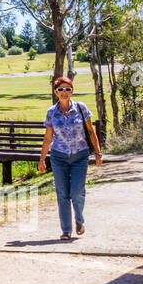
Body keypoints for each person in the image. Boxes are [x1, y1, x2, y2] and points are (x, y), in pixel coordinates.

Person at [38, 75, 103, 240]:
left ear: (72, 91)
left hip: (79, 156)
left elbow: (90, 131)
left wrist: (97, 152)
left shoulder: (81, 108)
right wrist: (42, 159)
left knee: (76, 192)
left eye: (68, 89)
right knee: (62, 193)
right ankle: (66, 230)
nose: (64, 92)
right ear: (56, 92)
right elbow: (48, 138)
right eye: (61, 89)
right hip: (59, 157)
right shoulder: (51, 112)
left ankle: (79, 219)